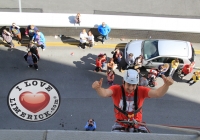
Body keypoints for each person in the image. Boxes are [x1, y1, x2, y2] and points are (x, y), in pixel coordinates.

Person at [92, 69, 173, 133]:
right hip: (120, 123)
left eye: (133, 85)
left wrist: (166, 85)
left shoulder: (142, 90)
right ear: (123, 82)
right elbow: (105, 93)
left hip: (137, 124)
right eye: (129, 85)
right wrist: (98, 89)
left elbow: (158, 94)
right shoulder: (116, 89)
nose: (131, 88)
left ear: (137, 84)